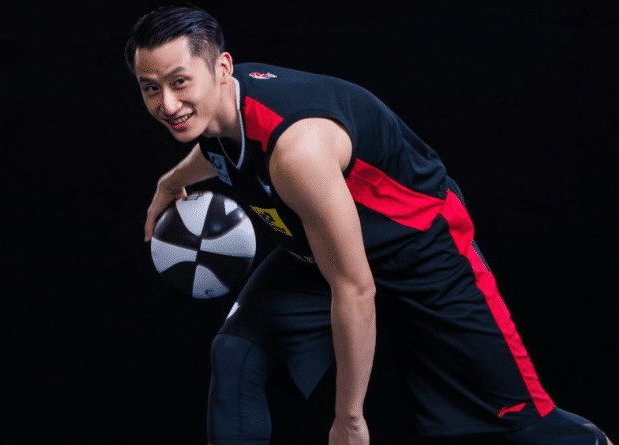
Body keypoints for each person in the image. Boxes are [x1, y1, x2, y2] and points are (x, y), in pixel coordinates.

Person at [124, 4, 613, 445]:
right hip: (322, 253)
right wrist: (172, 181)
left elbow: (356, 289)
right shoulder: (217, 113)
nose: (168, 105)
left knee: (523, 425)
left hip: (422, 252)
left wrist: (350, 419)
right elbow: (222, 148)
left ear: (222, 69)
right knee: (236, 356)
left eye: (180, 82)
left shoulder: (298, 154)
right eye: (151, 88)